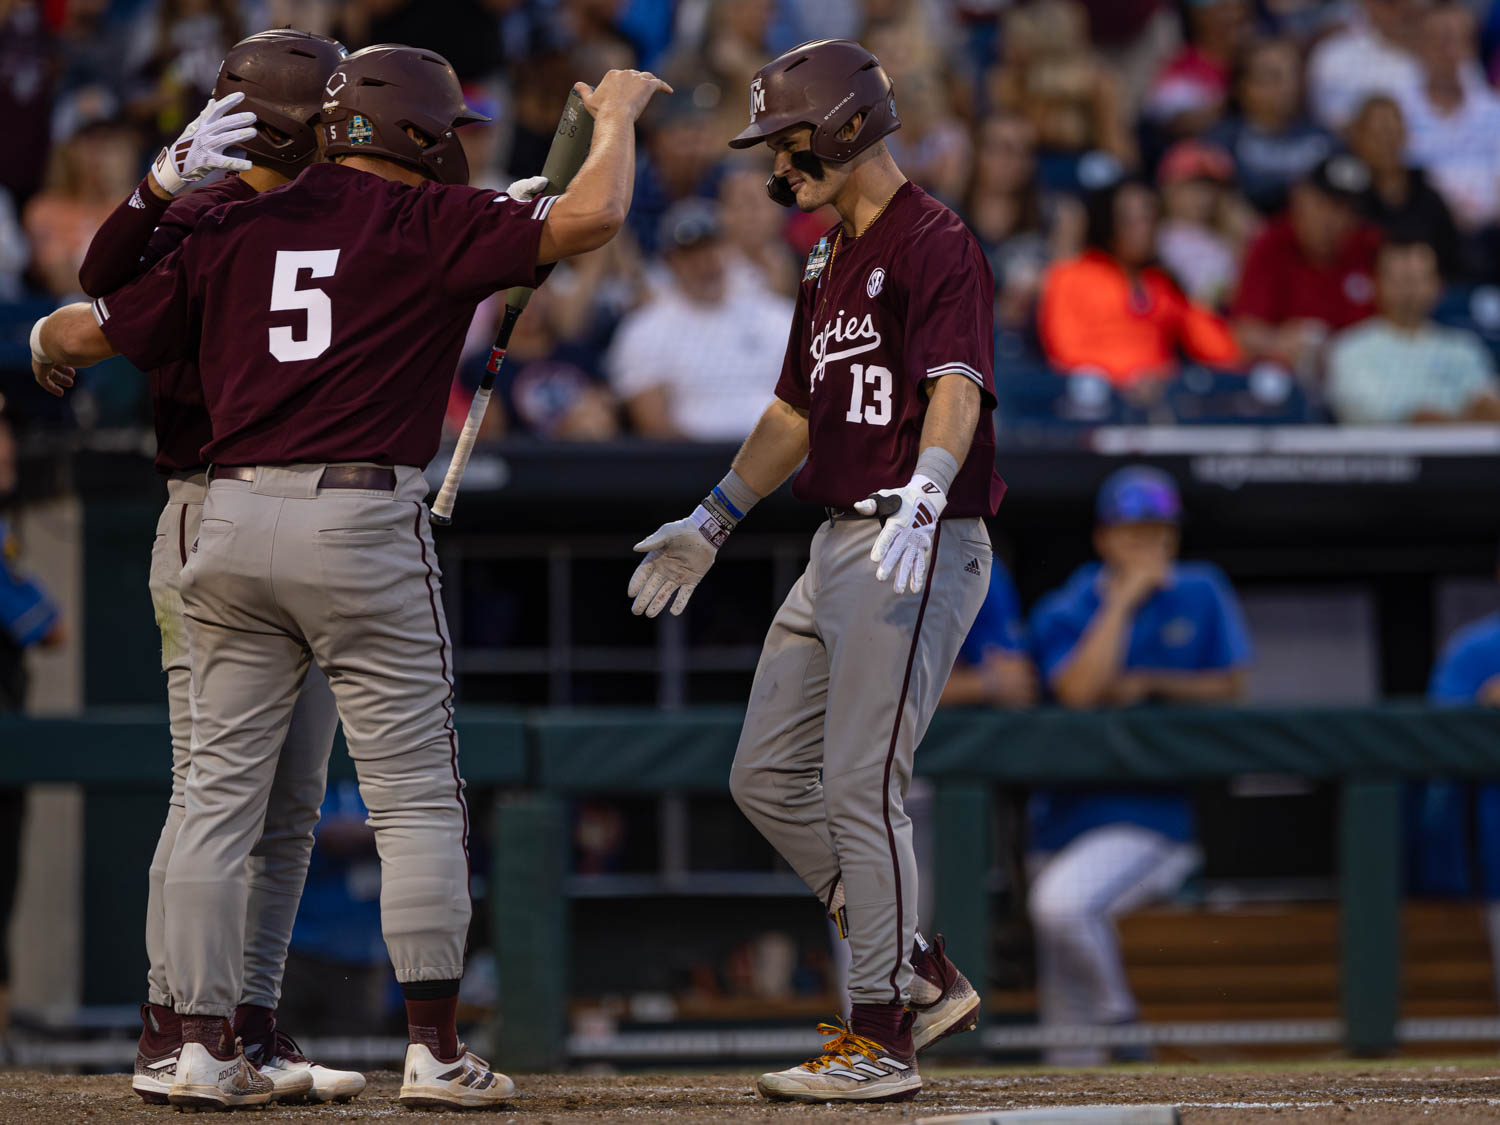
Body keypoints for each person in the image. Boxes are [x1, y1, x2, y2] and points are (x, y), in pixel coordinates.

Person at [31, 46, 670, 1110]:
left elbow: (103, 314)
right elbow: (593, 218)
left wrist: (66, 316)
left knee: (212, 804)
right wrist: (616, 121)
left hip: (226, 519)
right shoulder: (428, 223)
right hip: (360, 516)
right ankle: (432, 1050)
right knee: (415, 798)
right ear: (418, 133)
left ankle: (196, 1046)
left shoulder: (228, 222)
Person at [627, 38, 1004, 1104]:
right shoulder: (824, 257)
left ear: (843, 126)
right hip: (834, 535)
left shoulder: (937, 239)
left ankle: (881, 1033)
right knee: (764, 776)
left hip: (910, 533)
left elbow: (958, 386)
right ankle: (917, 970)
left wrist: (930, 488)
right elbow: (797, 409)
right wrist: (715, 514)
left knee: (860, 786)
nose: (774, 167)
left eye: (787, 142)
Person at [71, 30, 365, 1106]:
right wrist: (154, 189)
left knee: (289, 804)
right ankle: (171, 1027)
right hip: (208, 510)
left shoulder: (337, 212)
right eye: (333, 110)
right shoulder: (203, 212)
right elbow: (98, 285)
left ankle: (247, 1021)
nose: (351, 129)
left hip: (292, 518)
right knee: (215, 793)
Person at [1027, 466, 1251, 1066]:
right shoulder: (1070, 603)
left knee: (1062, 905)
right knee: (1065, 1042)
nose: (1149, 544)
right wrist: (1122, 601)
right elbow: (1077, 690)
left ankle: (1125, 1028)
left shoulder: (1200, 588)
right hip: (1062, 819)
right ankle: (1103, 1054)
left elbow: (1231, 685)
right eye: (1134, 531)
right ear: (1105, 538)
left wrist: (1152, 681)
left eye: (1160, 531)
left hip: (1156, 821)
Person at [607, 199, 791, 440]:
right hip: (693, 464)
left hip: (780, 458)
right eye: (690, 255)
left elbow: (810, 399)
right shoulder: (645, 329)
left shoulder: (778, 317)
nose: (705, 264)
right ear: (671, 263)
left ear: (728, 250)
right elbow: (653, 423)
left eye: (711, 250)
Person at [1039, 176, 1242, 391]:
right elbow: (1065, 352)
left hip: (1162, 404)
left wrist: (1199, 304)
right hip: (1095, 406)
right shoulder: (1069, 276)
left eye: (1149, 219)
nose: (1144, 229)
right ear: (1107, 224)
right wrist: (1131, 378)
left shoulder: (1162, 283)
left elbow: (1222, 352)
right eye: (1131, 221)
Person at [1231, 154, 1382, 373]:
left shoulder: (1369, 246)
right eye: (1324, 205)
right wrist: (1276, 341)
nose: (1333, 219)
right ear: (1300, 199)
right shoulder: (1272, 245)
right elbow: (1243, 331)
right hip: (1288, 376)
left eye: (1345, 209)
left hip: (1361, 374)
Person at [1326, 240, 1500, 424]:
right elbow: (1365, 412)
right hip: (1383, 452)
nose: (1409, 290)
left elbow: (1487, 406)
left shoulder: (1463, 348)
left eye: (1418, 279)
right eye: (1400, 280)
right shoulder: (1350, 348)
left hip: (1464, 451)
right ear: (1376, 283)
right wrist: (1444, 420)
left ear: (1438, 286)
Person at [1396, 1, 1500, 234]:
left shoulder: (1494, 113)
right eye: (1438, 40)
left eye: (1456, 40)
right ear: (1419, 46)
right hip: (1423, 234)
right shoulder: (1399, 112)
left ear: (1471, 48)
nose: (1447, 51)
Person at [1205, 38, 1335, 217]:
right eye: (1274, 76)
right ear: (1242, 87)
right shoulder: (1219, 143)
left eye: (1294, 74)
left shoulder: (1326, 141)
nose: (1288, 86)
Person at [1347, 95, 1465, 280]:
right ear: (1359, 139)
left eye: (1391, 133)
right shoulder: (1347, 202)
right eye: (1377, 135)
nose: (1385, 143)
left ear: (1405, 136)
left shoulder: (1430, 200)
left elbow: (1453, 263)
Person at [1307, 0, 1425, 132]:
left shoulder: (1445, 49)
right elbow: (1332, 123)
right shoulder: (1335, 57)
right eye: (1391, 3)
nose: (1402, 9)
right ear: (1368, 4)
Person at [1154, 140, 1245, 309]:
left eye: (1208, 188)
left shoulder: (1222, 235)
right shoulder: (1161, 237)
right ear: (1168, 189)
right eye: (1191, 187)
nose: (1202, 198)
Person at [940, 560, 1038, 710]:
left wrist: (984, 684)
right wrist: (977, 685)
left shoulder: (976, 563)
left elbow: (1016, 680)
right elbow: (897, 686)